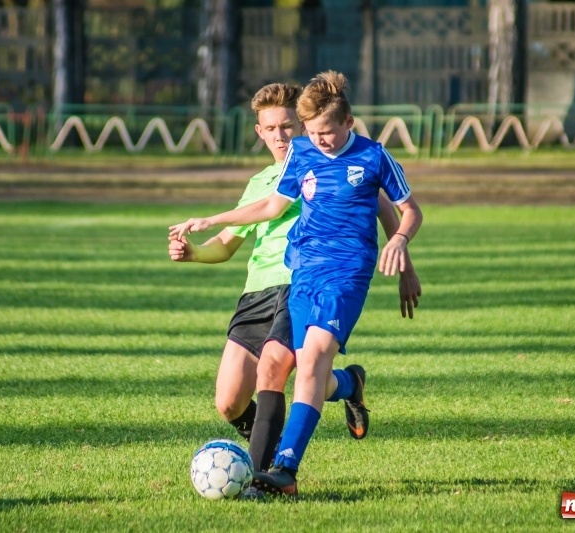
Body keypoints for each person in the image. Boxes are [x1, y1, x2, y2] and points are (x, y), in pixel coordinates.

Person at [169, 71, 423, 496]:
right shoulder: (299, 158)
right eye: (306, 131)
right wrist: (210, 222)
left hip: (343, 275)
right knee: (286, 378)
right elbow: (268, 207)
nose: (312, 139)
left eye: (317, 130)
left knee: (296, 365)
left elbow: (402, 209)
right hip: (293, 277)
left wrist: (402, 253)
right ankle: (348, 384)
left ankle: (281, 469)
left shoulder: (372, 157)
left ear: (348, 123)